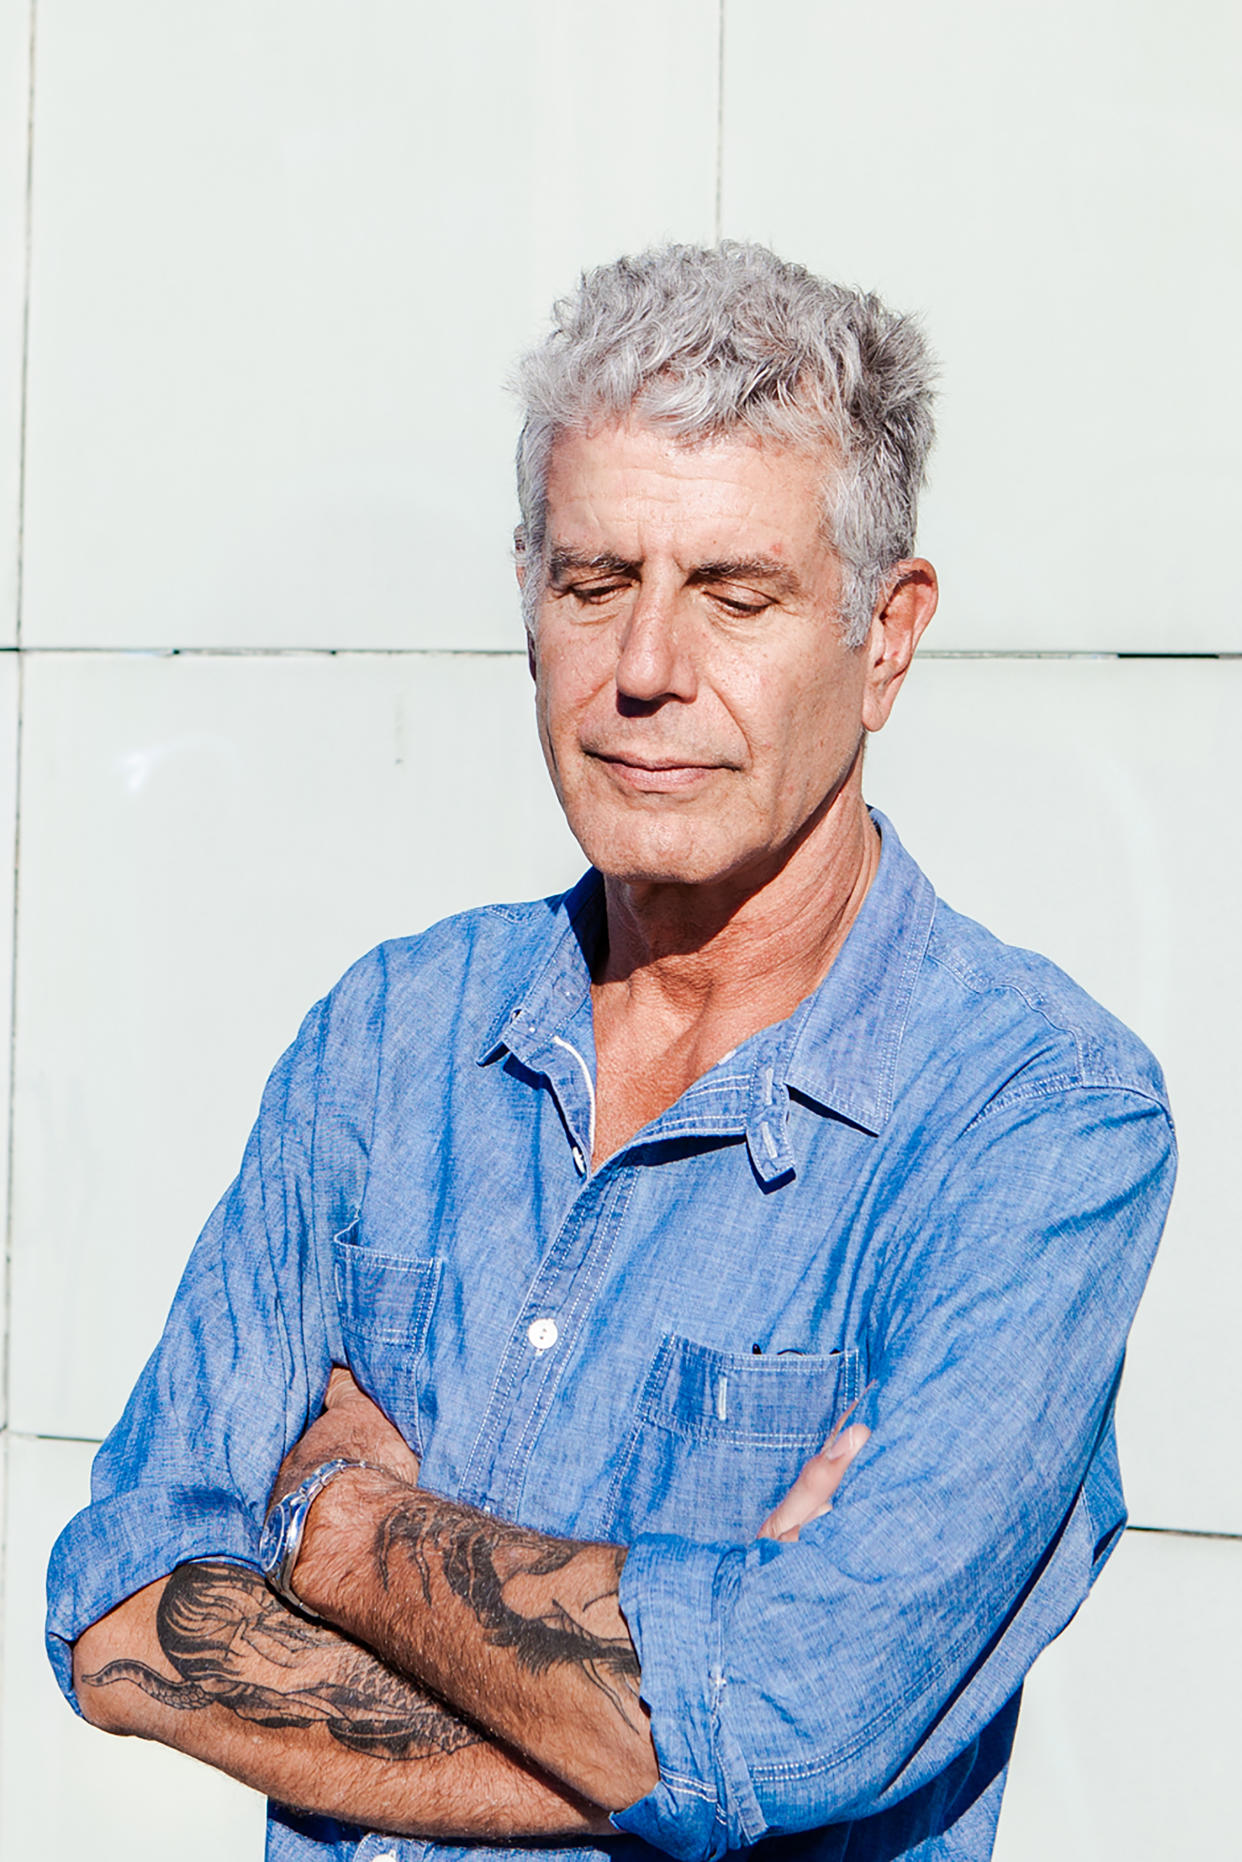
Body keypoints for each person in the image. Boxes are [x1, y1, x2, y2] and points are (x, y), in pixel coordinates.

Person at [47, 243, 1175, 1862]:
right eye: (593, 582)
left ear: (885, 634)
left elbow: (802, 1719)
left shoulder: (1037, 1127)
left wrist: (341, 1525)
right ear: (526, 596)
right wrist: (661, 1693)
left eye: (733, 592)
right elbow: (122, 1604)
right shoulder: (389, 1038)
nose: (645, 668)